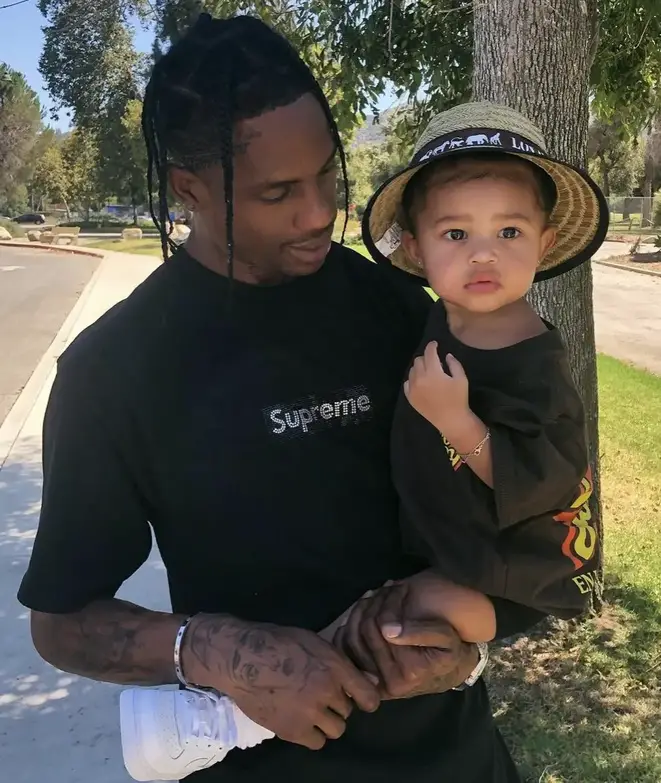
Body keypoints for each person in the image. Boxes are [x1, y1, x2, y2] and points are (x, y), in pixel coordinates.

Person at [19, 14, 544, 783]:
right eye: (276, 192)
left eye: (326, 175)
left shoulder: (406, 312)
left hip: (450, 755)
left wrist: (468, 649)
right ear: (187, 188)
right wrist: (214, 650)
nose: (315, 212)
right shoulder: (115, 370)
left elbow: (535, 505)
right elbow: (62, 622)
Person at [361, 102, 607, 644]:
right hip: (453, 548)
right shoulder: (445, 315)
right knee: (379, 601)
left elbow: (548, 479)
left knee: (394, 619)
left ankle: (237, 708)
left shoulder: (533, 363)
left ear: (544, 245)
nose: (483, 256)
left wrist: (457, 421)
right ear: (415, 249)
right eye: (455, 235)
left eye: (509, 232)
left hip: (518, 580)